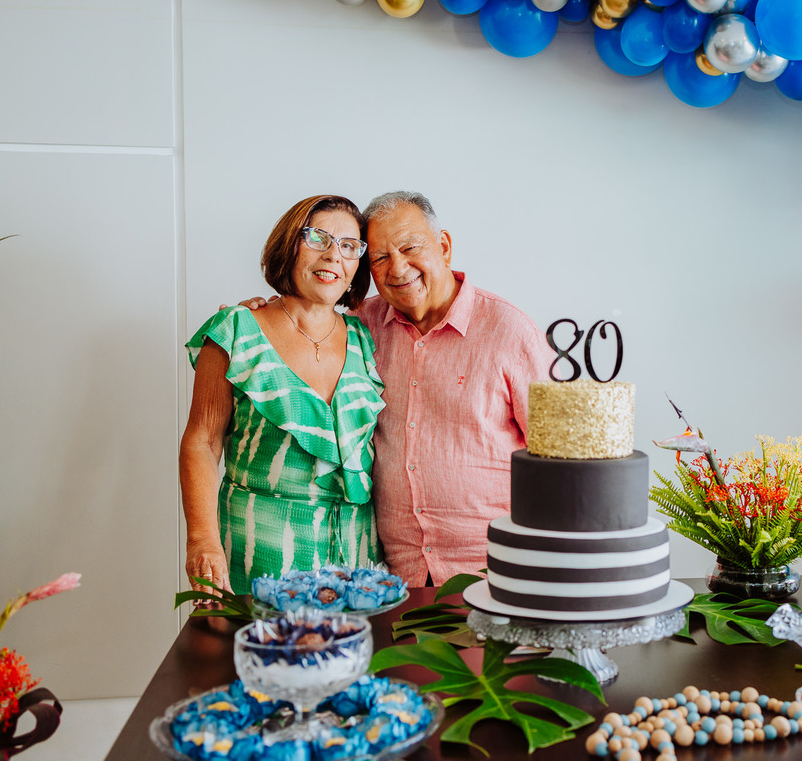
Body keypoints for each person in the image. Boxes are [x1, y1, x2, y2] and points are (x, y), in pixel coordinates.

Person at [241, 191, 552, 586]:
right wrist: (262, 311)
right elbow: (299, 325)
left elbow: (556, 460)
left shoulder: (508, 330)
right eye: (381, 258)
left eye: (409, 248)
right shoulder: (357, 327)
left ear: (444, 246)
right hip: (392, 577)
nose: (398, 268)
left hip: (494, 570)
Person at [180, 195, 385, 595]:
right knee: (254, 654)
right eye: (318, 238)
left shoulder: (363, 337)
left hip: (358, 561)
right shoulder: (238, 329)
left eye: (348, 246)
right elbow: (202, 442)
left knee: (349, 658)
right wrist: (202, 540)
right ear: (290, 243)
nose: (333, 256)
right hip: (257, 555)